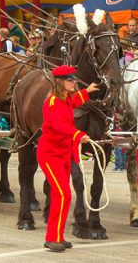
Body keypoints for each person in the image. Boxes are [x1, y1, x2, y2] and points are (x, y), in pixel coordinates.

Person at [39, 65, 97, 251]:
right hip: (50, 154)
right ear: (60, 82)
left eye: (74, 79)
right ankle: (52, 237)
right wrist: (78, 134)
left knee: (64, 195)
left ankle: (58, 235)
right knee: (62, 194)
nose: (74, 82)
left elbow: (74, 101)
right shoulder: (52, 102)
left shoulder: (64, 100)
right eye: (70, 80)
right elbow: (56, 125)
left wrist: (87, 92)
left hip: (62, 154)